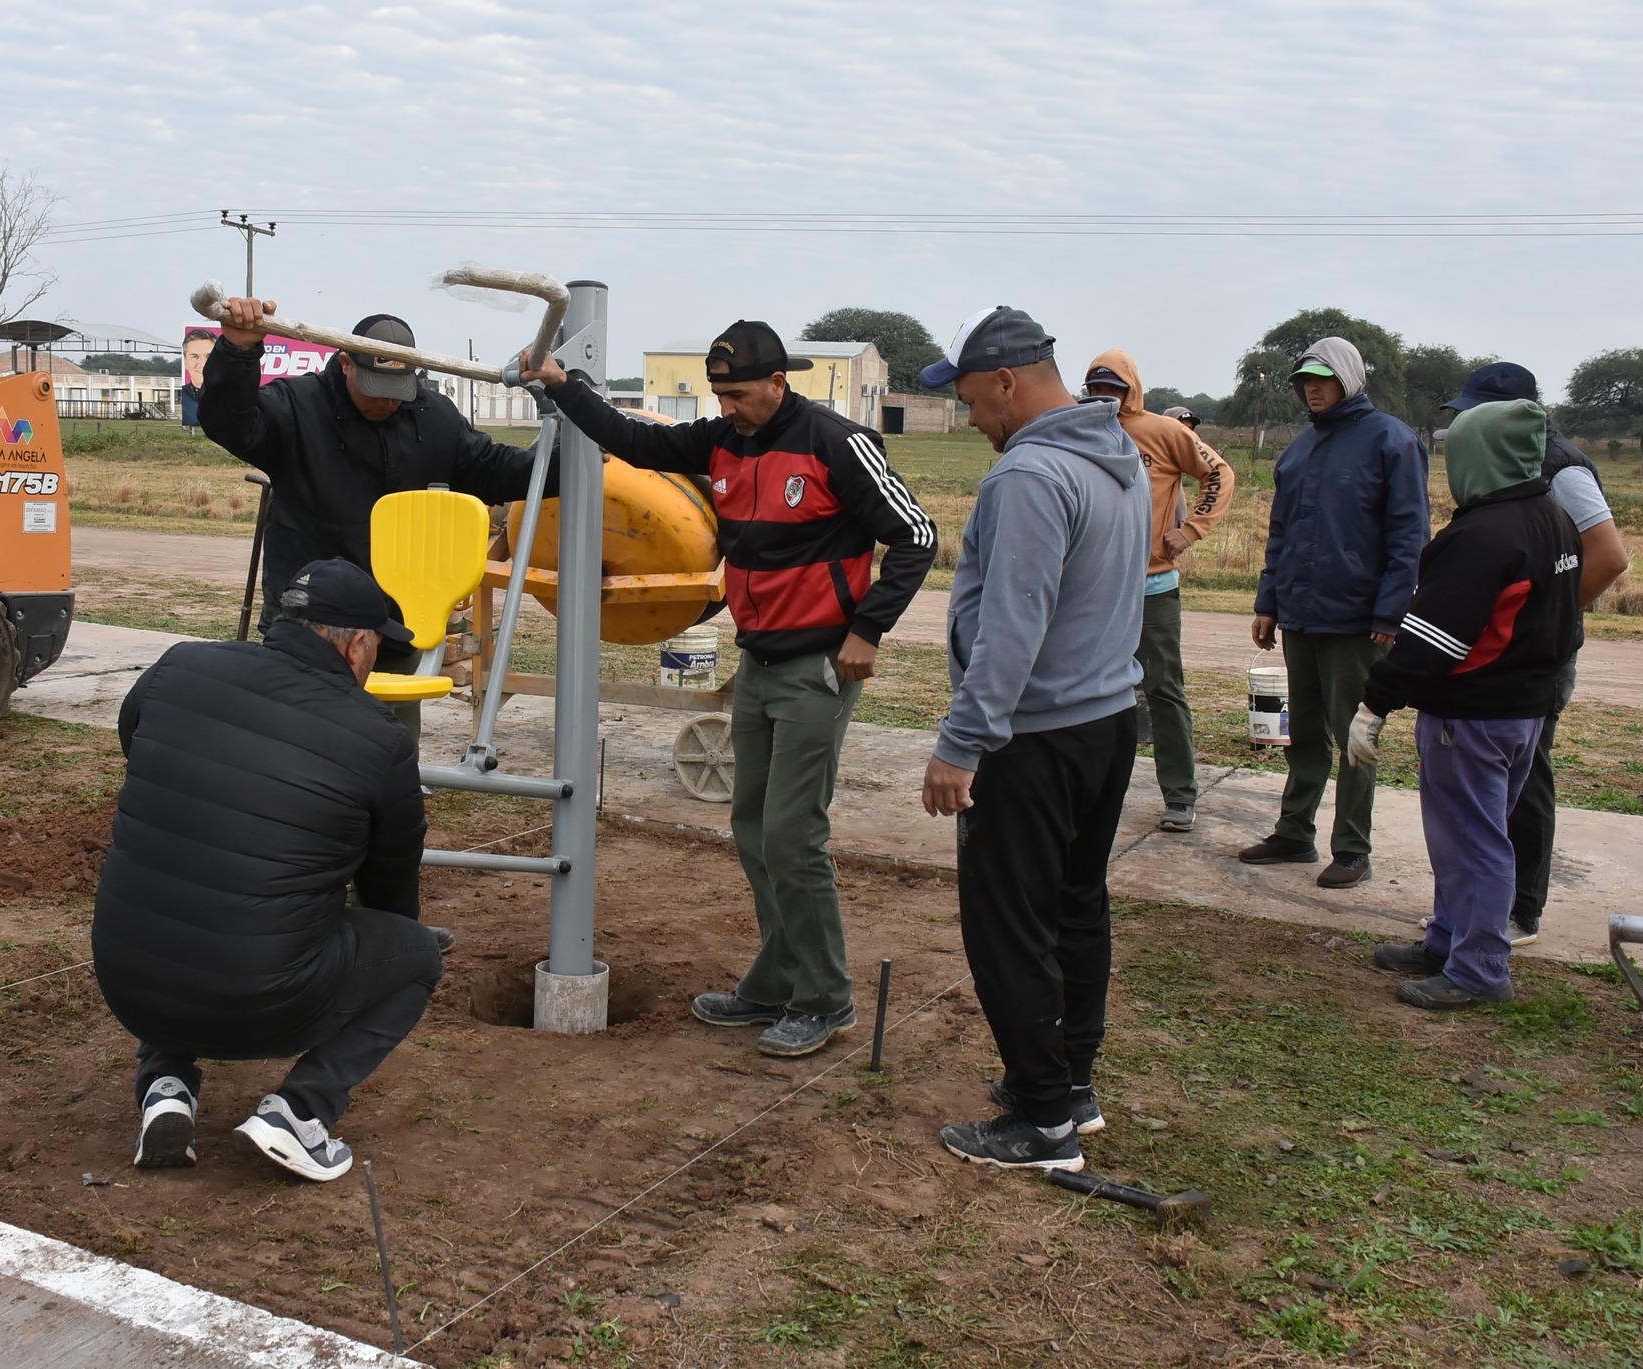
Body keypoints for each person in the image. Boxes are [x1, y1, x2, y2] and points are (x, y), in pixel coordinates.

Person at [519, 321, 936, 1058]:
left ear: (778, 382)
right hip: (759, 664)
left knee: (793, 836)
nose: (728, 408)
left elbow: (917, 535)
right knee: (752, 829)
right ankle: (777, 981)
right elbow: (633, 440)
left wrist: (867, 631)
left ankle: (825, 998)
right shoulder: (721, 442)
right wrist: (562, 384)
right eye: (720, 395)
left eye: (739, 394)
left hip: (817, 667)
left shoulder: (835, 443)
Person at [91, 558, 446, 1182]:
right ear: (357, 645)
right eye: (376, 649)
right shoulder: (380, 739)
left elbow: (135, 743)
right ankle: (300, 1113)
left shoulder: (178, 665)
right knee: (415, 955)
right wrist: (381, 934)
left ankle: (166, 1085)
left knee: (189, 873)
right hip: (258, 1004)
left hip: (127, 981)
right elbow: (390, 890)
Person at [919, 307, 1150, 1172]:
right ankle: (1070, 1088)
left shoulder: (1027, 475)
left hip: (1033, 735)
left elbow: (1013, 625)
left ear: (1008, 382)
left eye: (972, 400)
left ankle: (1042, 1123)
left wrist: (963, 743)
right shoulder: (1116, 452)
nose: (972, 418)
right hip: (1106, 719)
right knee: (1076, 905)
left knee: (1009, 924)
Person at [197, 298, 554, 739]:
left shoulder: (432, 417)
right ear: (345, 363)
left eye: (397, 389)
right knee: (298, 741)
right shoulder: (298, 407)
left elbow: (493, 468)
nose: (387, 401)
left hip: (394, 622)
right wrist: (239, 351)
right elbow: (228, 422)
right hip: (312, 622)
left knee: (389, 744)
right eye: (375, 387)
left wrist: (567, 463)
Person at [1354, 400, 1583, 1008]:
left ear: (1479, 456)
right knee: (1475, 834)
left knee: (1473, 843)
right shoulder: (1554, 518)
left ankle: (1479, 969)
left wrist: (1374, 704)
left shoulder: (1481, 535)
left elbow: (1435, 640)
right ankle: (1448, 940)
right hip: (1524, 711)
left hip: (1473, 716)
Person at [1440, 363, 1629, 946]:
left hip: (1534, 655)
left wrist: (1549, 617)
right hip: (1513, 648)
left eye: (1472, 412)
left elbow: (1610, 556)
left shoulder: (1560, 468)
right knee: (1496, 783)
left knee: (1525, 778)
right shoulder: (1513, 462)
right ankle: (1478, 908)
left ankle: (1521, 908)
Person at [1241, 338, 1428, 888]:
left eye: (1323, 378)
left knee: (1355, 735)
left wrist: (1391, 612)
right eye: (1304, 380)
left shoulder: (1391, 440)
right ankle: (1294, 832)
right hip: (1301, 614)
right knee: (1303, 732)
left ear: (1348, 378)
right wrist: (1269, 601)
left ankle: (1351, 848)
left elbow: (1409, 535)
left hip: (1358, 619)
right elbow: (1280, 532)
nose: (1312, 389)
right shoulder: (1300, 448)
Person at [1084, 352, 1235, 833]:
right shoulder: (1080, 430)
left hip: (1152, 586)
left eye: (1114, 389)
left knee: (1163, 690)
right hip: (1094, 587)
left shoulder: (1165, 432)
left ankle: (1180, 795)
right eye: (1096, 389)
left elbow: (1219, 473)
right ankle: (1089, 789)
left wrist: (1190, 530)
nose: (1105, 398)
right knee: (1089, 690)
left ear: (1131, 390)